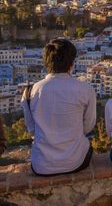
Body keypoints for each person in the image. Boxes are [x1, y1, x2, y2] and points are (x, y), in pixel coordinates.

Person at [22, 38, 96, 176]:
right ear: (71, 63)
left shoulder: (29, 91)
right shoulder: (86, 90)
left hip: (42, 165)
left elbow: (31, 129)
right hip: (76, 162)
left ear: (46, 62)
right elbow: (88, 126)